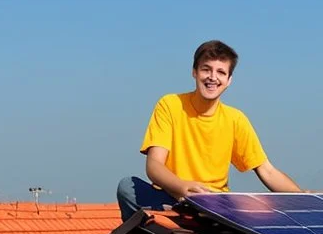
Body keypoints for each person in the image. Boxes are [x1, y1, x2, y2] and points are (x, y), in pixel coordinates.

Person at [116, 40, 303, 220]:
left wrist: (304, 197)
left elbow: (267, 171)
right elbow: (154, 165)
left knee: (257, 207)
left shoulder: (235, 119)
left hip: (214, 203)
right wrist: (183, 187)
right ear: (194, 72)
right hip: (171, 195)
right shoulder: (170, 105)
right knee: (127, 187)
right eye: (206, 69)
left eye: (221, 72)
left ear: (229, 80)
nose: (213, 77)